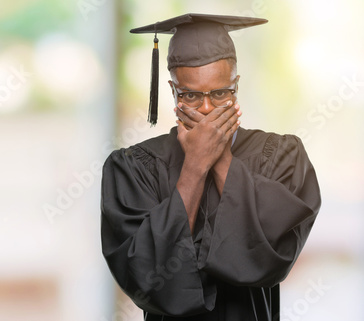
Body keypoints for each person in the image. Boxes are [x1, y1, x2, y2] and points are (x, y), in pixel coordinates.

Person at [100, 13, 321, 321]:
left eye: (220, 93)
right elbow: (145, 279)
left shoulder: (281, 157)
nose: (205, 108)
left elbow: (272, 258)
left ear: (237, 86)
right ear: (172, 90)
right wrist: (195, 165)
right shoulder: (134, 168)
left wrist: (219, 158)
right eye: (190, 95)